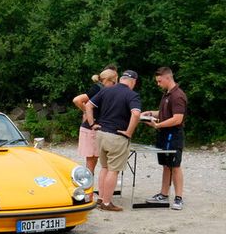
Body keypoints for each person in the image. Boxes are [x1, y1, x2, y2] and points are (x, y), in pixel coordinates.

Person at [84, 70, 142, 212]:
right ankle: (107, 202)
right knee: (113, 170)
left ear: (121, 79)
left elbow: (88, 105)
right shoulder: (132, 95)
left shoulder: (106, 90)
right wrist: (129, 132)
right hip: (117, 136)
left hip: (101, 134)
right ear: (133, 81)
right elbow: (136, 114)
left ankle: (101, 198)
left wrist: (92, 124)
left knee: (104, 167)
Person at [141, 67, 187, 210]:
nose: (158, 84)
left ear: (168, 78)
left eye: (159, 81)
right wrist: (150, 114)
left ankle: (179, 198)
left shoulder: (178, 95)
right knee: (166, 166)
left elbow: (177, 118)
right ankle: (163, 194)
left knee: (175, 166)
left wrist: (158, 125)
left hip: (173, 135)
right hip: (164, 134)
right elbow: (164, 113)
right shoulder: (166, 94)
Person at [72, 67, 118, 176]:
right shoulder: (97, 88)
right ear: (107, 80)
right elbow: (77, 100)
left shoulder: (103, 89)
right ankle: (88, 186)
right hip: (91, 129)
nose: (115, 85)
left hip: (96, 128)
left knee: (95, 161)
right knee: (91, 163)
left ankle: (91, 185)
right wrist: (88, 114)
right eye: (114, 82)